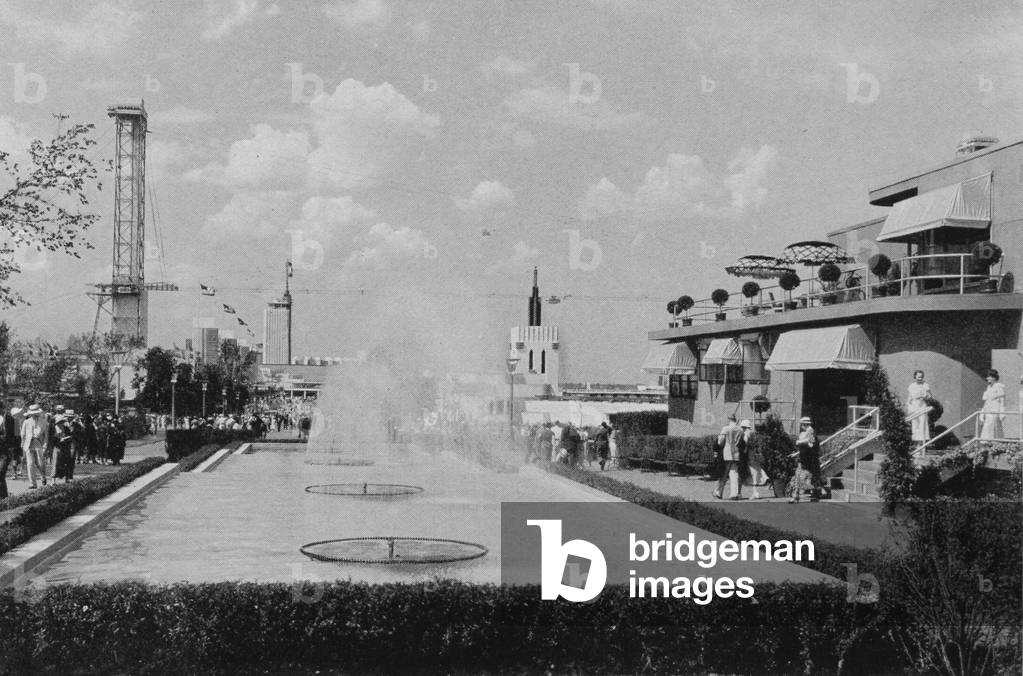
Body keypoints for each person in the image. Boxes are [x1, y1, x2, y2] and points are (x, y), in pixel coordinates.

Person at [789, 416, 820, 503]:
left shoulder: (810, 431)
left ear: (804, 424)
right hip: (804, 458)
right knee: (799, 476)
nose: (801, 426)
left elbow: (811, 444)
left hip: (809, 460)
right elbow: (805, 448)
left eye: (802, 424)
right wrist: (796, 453)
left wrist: (800, 442)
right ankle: (796, 496)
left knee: (807, 477)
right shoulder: (804, 432)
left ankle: (812, 496)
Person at [713, 415, 743, 500]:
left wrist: (720, 446)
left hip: (727, 453)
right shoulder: (740, 429)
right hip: (736, 453)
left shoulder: (725, 428)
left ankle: (718, 492)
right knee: (734, 473)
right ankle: (734, 494)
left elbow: (721, 441)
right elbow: (741, 442)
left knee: (724, 473)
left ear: (729, 419)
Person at [21, 404, 48, 489]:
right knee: (30, 464)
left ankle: (43, 476)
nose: (34, 414)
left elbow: (46, 435)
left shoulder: (43, 422)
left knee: (40, 463)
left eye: (35, 413)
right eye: (32, 413)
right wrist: (23, 443)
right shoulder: (26, 422)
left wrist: (45, 445)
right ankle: (32, 483)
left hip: (39, 443)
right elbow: (23, 434)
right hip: (28, 444)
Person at [740, 419, 768, 500]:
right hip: (753, 455)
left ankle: (755, 493)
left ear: (744, 427)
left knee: (753, 474)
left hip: (749, 456)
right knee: (755, 473)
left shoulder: (745, 435)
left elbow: (745, 447)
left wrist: (743, 451)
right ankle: (756, 491)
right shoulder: (751, 434)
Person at [980, 369, 1006, 440]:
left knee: (994, 427)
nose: (987, 378)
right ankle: (986, 443)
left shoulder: (998, 386)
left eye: (989, 376)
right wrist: (982, 413)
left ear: (994, 377)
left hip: (995, 410)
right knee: (987, 427)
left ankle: (995, 442)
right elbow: (986, 401)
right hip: (988, 410)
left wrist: (1002, 412)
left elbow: (1002, 400)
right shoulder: (988, 387)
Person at [907, 370, 932, 443]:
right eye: (918, 377)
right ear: (915, 377)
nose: (920, 378)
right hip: (915, 406)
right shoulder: (912, 386)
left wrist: (925, 396)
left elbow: (930, 396)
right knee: (915, 424)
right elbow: (909, 397)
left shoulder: (925, 385)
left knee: (922, 423)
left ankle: (922, 443)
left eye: (921, 377)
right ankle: (917, 443)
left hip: (922, 405)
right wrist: (908, 405)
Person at [0, 402, 16, 499]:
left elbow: (13, 436)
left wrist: (12, 449)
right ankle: (4, 498)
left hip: (5, 451)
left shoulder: (9, 419)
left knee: (1, 472)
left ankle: (4, 498)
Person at [52, 414, 75, 483]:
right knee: (55, 463)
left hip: (65, 448)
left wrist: (67, 438)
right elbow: (52, 439)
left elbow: (70, 436)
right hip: (57, 447)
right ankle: (53, 480)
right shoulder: (53, 429)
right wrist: (59, 440)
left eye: (62, 422)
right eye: (60, 422)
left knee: (66, 463)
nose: (61, 423)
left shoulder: (66, 428)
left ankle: (67, 478)